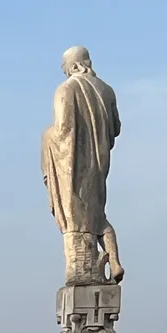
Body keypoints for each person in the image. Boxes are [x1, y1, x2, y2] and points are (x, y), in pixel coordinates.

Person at [42, 47, 123, 285]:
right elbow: (116, 128)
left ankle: (80, 271)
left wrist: (46, 139)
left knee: (74, 217)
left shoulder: (66, 89)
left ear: (74, 65)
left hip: (72, 167)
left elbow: (64, 129)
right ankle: (115, 261)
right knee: (97, 215)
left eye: (65, 68)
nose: (66, 72)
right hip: (98, 164)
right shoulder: (106, 91)